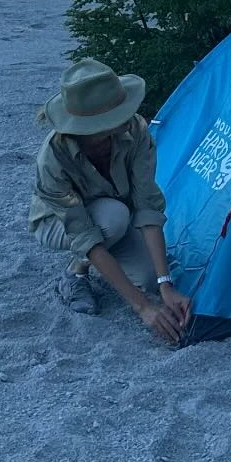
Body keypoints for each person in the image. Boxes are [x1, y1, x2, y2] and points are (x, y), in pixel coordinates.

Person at [30, 58, 191, 344]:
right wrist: (143, 308)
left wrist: (165, 285)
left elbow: (147, 206)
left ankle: (110, 265)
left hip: (117, 216)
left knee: (149, 278)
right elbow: (83, 234)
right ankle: (75, 275)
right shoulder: (53, 157)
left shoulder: (137, 132)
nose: (128, 117)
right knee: (113, 218)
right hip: (59, 224)